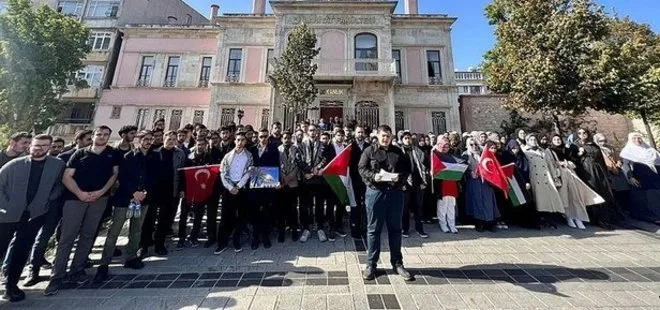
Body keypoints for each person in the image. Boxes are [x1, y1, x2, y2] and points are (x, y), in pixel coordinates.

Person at [45, 125, 120, 296]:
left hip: (99, 199)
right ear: (93, 136)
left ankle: (77, 269)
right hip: (75, 199)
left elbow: (114, 175)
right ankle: (57, 276)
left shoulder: (113, 153)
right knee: (67, 237)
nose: (102, 137)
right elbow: (67, 176)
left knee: (88, 234)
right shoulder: (79, 154)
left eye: (106, 135)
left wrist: (101, 192)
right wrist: (80, 193)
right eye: (99, 134)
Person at [23, 130, 93, 287]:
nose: (91, 141)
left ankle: (63, 266)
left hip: (74, 203)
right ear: (78, 140)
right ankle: (33, 269)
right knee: (43, 237)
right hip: (53, 204)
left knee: (65, 237)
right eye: (88, 139)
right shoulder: (64, 158)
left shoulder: (90, 156)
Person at [0, 135, 65, 302]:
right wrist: (6, 205)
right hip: (7, 216)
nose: (39, 148)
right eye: (36, 145)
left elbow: (59, 185)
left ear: (49, 147)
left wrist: (48, 199)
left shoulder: (57, 165)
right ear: (30, 146)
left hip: (34, 215)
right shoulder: (15, 165)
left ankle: (11, 286)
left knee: (21, 251)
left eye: (44, 146)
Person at [94, 130, 160, 283]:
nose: (148, 142)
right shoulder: (128, 157)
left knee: (136, 229)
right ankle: (104, 263)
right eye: (145, 139)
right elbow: (122, 178)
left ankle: (131, 256)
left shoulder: (154, 157)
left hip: (142, 200)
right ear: (138, 141)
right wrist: (133, 193)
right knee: (114, 232)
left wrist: (144, 192)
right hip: (125, 200)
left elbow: (154, 177)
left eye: (150, 139)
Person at [358, 125, 413, 281]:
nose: (385, 138)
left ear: (391, 137)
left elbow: (407, 170)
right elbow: (361, 168)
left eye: (388, 136)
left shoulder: (398, 152)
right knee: (373, 230)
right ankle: (371, 265)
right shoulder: (369, 151)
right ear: (377, 135)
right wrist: (373, 177)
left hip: (395, 194)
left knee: (396, 229)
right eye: (383, 135)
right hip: (375, 193)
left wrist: (399, 178)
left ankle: (397, 263)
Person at [547, 135, 603, 229]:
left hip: (571, 174)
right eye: (555, 139)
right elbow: (550, 163)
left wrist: (569, 162)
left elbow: (574, 160)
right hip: (561, 175)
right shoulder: (550, 151)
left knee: (576, 196)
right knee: (565, 197)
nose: (557, 141)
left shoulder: (567, 150)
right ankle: (569, 217)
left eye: (559, 139)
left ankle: (578, 217)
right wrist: (559, 164)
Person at [572, 128, 621, 229]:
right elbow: (572, 159)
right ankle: (596, 218)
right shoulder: (575, 145)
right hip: (586, 172)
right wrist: (579, 155)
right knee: (593, 193)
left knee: (604, 193)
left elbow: (601, 159)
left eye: (584, 132)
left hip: (598, 171)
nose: (582, 134)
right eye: (580, 133)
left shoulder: (594, 145)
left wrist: (606, 174)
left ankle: (606, 218)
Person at [148, 131, 186, 256]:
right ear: (164, 139)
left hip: (172, 190)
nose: (171, 141)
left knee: (165, 220)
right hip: (155, 191)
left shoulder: (180, 154)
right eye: (169, 139)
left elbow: (182, 173)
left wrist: (181, 189)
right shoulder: (154, 153)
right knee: (149, 219)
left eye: (174, 139)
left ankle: (160, 244)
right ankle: (144, 244)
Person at [177, 138, 218, 249]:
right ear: (195, 145)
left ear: (205, 146)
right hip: (188, 190)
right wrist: (181, 189)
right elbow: (182, 174)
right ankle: (181, 237)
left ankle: (193, 236)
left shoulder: (209, 158)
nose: (200, 147)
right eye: (198, 144)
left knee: (198, 215)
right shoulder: (188, 158)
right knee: (184, 215)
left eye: (202, 145)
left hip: (201, 190)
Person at [217, 132, 253, 253]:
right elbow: (223, 172)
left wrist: (238, 186)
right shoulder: (227, 156)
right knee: (226, 216)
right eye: (238, 140)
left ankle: (237, 241)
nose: (240, 142)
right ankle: (222, 243)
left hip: (241, 188)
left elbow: (248, 172)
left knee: (240, 216)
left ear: (245, 142)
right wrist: (229, 187)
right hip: (229, 189)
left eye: (242, 140)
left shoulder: (249, 156)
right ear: (235, 141)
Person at [248, 128, 280, 249]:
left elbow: (277, 165)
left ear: (268, 137)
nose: (263, 139)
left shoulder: (273, 149)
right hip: (255, 185)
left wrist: (277, 181)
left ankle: (266, 237)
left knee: (267, 211)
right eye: (261, 136)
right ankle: (255, 237)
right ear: (258, 137)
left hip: (268, 184)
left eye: (265, 136)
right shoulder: (252, 150)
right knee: (255, 212)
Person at [320, 129, 354, 241]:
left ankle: (339, 226)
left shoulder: (346, 148)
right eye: (338, 135)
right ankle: (331, 227)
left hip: (342, 180)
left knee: (340, 205)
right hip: (331, 180)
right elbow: (325, 161)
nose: (340, 137)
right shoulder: (328, 147)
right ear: (334, 136)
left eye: (342, 135)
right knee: (330, 206)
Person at [523, 134, 566, 221]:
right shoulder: (525, 151)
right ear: (527, 141)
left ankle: (548, 217)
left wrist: (554, 176)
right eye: (531, 140)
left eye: (534, 139)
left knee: (550, 198)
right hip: (536, 177)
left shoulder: (543, 151)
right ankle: (540, 218)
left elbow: (550, 164)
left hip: (546, 176)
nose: (533, 141)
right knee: (539, 200)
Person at [620, 132, 660, 224]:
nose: (637, 140)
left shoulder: (650, 150)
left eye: (639, 138)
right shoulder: (627, 152)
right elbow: (625, 165)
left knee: (656, 195)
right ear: (630, 140)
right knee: (646, 198)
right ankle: (651, 217)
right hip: (639, 177)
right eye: (634, 138)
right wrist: (630, 177)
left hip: (655, 177)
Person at [298, 124, 328, 242]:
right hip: (306, 179)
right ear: (307, 132)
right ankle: (307, 228)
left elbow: (325, 159)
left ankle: (320, 227)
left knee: (320, 205)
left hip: (319, 180)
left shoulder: (322, 145)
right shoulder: (302, 145)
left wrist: (318, 168)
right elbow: (299, 160)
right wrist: (309, 170)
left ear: (318, 132)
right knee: (307, 205)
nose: (312, 132)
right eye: (310, 130)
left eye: (314, 130)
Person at [465, 138, 500, 232]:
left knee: (488, 201)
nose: (474, 146)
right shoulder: (465, 155)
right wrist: (469, 173)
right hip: (474, 182)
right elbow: (463, 169)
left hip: (485, 181)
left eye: (475, 144)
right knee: (477, 202)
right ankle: (479, 223)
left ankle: (489, 222)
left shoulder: (483, 154)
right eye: (471, 145)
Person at [400, 132, 428, 237]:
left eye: (409, 138)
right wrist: (400, 184)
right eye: (406, 138)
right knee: (405, 208)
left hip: (417, 183)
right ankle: (405, 229)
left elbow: (424, 164)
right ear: (402, 140)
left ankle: (419, 229)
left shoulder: (416, 150)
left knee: (418, 208)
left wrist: (423, 182)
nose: (408, 140)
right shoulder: (399, 152)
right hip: (405, 184)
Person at [277, 131, 301, 242]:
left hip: (292, 183)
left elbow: (297, 165)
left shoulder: (296, 149)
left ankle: (294, 230)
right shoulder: (277, 150)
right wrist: (283, 177)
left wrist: (289, 177)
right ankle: (281, 232)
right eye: (285, 138)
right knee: (281, 208)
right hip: (281, 183)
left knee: (293, 208)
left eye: (289, 138)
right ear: (282, 139)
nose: (287, 140)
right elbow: (276, 165)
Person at [349, 126, 370, 238]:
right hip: (354, 180)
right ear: (354, 134)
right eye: (358, 132)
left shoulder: (369, 147)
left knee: (366, 205)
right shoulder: (350, 147)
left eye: (362, 132)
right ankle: (355, 228)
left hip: (366, 181)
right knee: (355, 205)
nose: (360, 134)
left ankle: (365, 228)